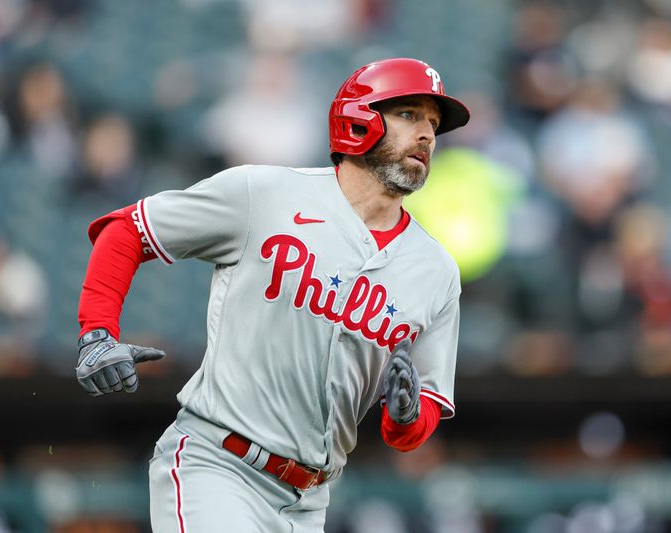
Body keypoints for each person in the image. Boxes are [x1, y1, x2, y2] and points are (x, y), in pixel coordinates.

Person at [75, 57, 470, 532]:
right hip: (217, 467)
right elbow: (126, 231)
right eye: (409, 114)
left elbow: (417, 420)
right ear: (358, 119)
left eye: (433, 123)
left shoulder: (436, 272)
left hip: (309, 501)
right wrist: (97, 331)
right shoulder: (264, 193)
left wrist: (406, 418)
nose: (427, 134)